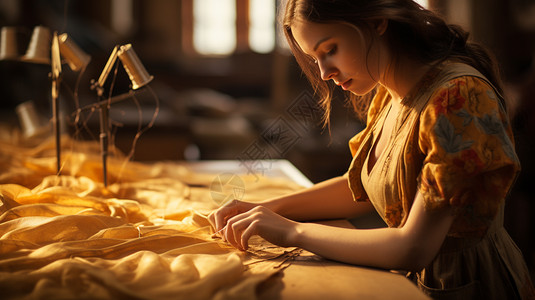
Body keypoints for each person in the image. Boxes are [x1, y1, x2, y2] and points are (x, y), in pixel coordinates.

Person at [208, 0, 535, 298]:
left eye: (330, 49)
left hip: (469, 285)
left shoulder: (457, 97)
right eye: (315, 59)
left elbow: (413, 247)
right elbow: (362, 187)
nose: (324, 73)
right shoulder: (388, 93)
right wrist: (266, 209)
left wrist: (292, 231)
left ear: (377, 21)